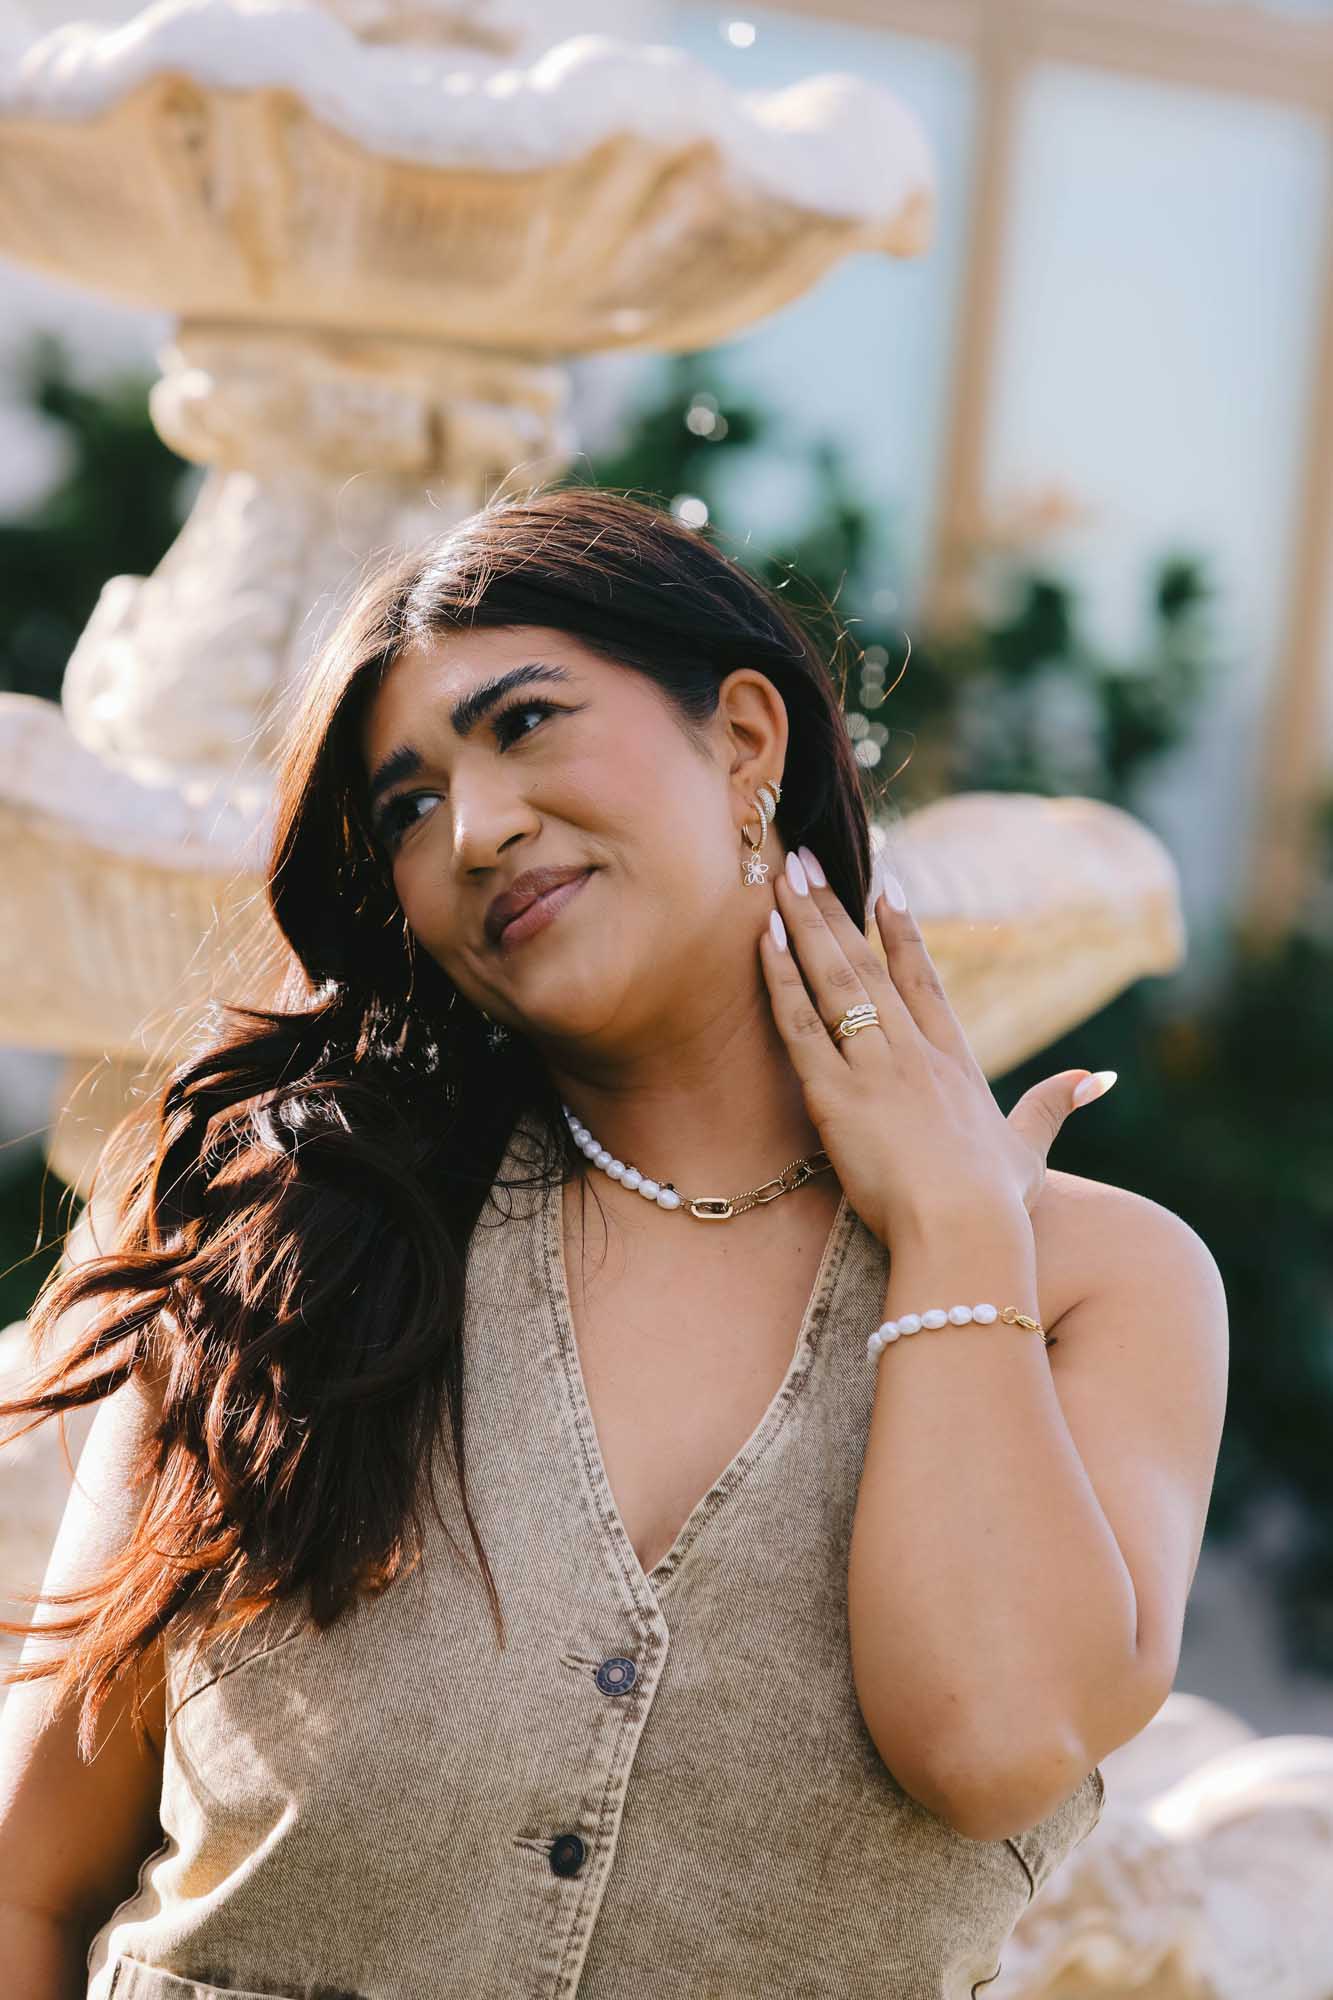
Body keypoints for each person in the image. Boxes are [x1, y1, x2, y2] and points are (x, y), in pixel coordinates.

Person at [0, 486, 1228, 2000]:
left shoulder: (1098, 1285)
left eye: (523, 726)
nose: (477, 827)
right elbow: (29, 1888)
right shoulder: (283, 1249)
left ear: (745, 742)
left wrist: (956, 1227)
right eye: (405, 808)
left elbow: (988, 1746)